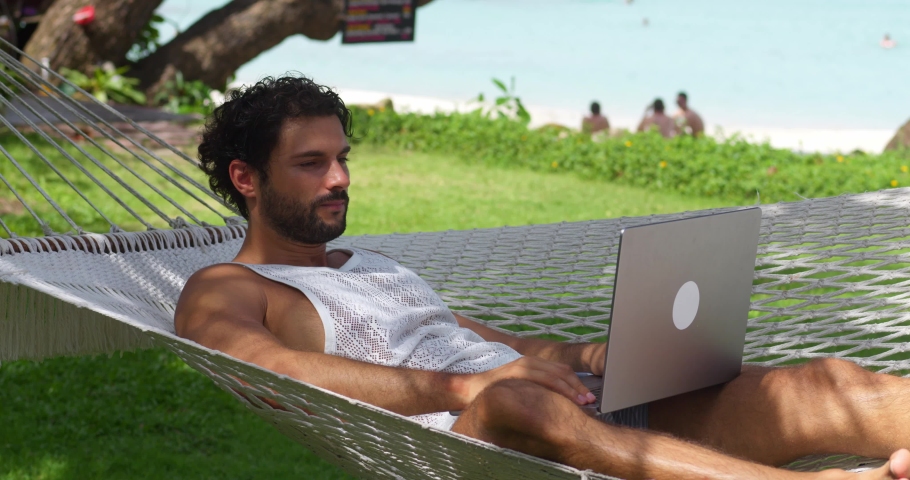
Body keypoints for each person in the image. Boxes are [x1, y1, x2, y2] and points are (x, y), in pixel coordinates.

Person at [175, 75, 910, 480]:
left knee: (821, 386)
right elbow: (265, 368)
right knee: (522, 400)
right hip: (474, 442)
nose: (339, 179)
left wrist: (604, 356)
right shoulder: (228, 287)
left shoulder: (374, 264)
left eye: (343, 159)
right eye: (311, 164)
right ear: (246, 177)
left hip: (566, 409)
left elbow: (500, 343)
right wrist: (464, 389)